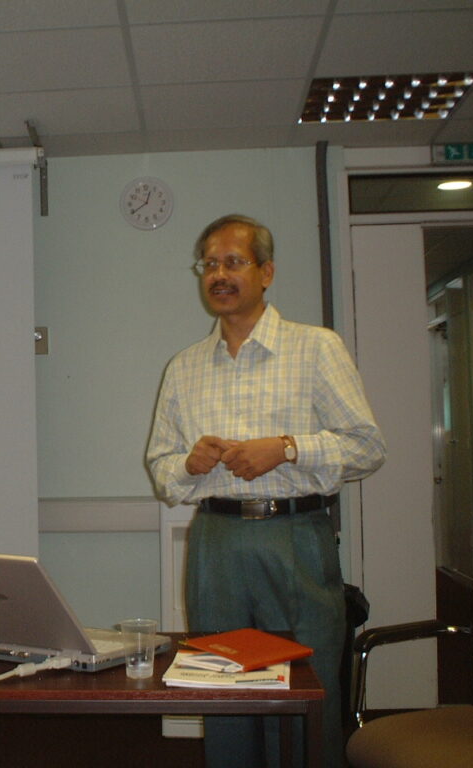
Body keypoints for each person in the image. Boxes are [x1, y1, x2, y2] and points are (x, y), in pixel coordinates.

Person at [146, 214, 386, 768]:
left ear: (267, 272)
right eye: (209, 264)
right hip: (216, 543)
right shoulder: (183, 368)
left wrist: (287, 447)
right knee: (223, 684)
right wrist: (189, 461)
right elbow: (162, 472)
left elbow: (368, 447)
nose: (219, 274)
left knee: (306, 683)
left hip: (296, 534)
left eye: (234, 261)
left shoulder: (316, 348)